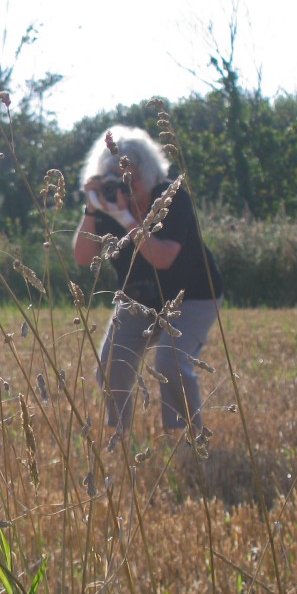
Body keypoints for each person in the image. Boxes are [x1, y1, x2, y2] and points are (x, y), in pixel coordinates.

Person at [72, 125, 223, 444]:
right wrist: (92, 208)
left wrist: (127, 218)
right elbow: (82, 257)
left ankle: (187, 440)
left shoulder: (171, 197)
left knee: (170, 362)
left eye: (131, 176)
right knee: (112, 365)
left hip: (192, 296)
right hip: (138, 297)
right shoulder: (109, 204)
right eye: (115, 176)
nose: (126, 184)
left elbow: (163, 258)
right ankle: (118, 436)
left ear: (149, 172)